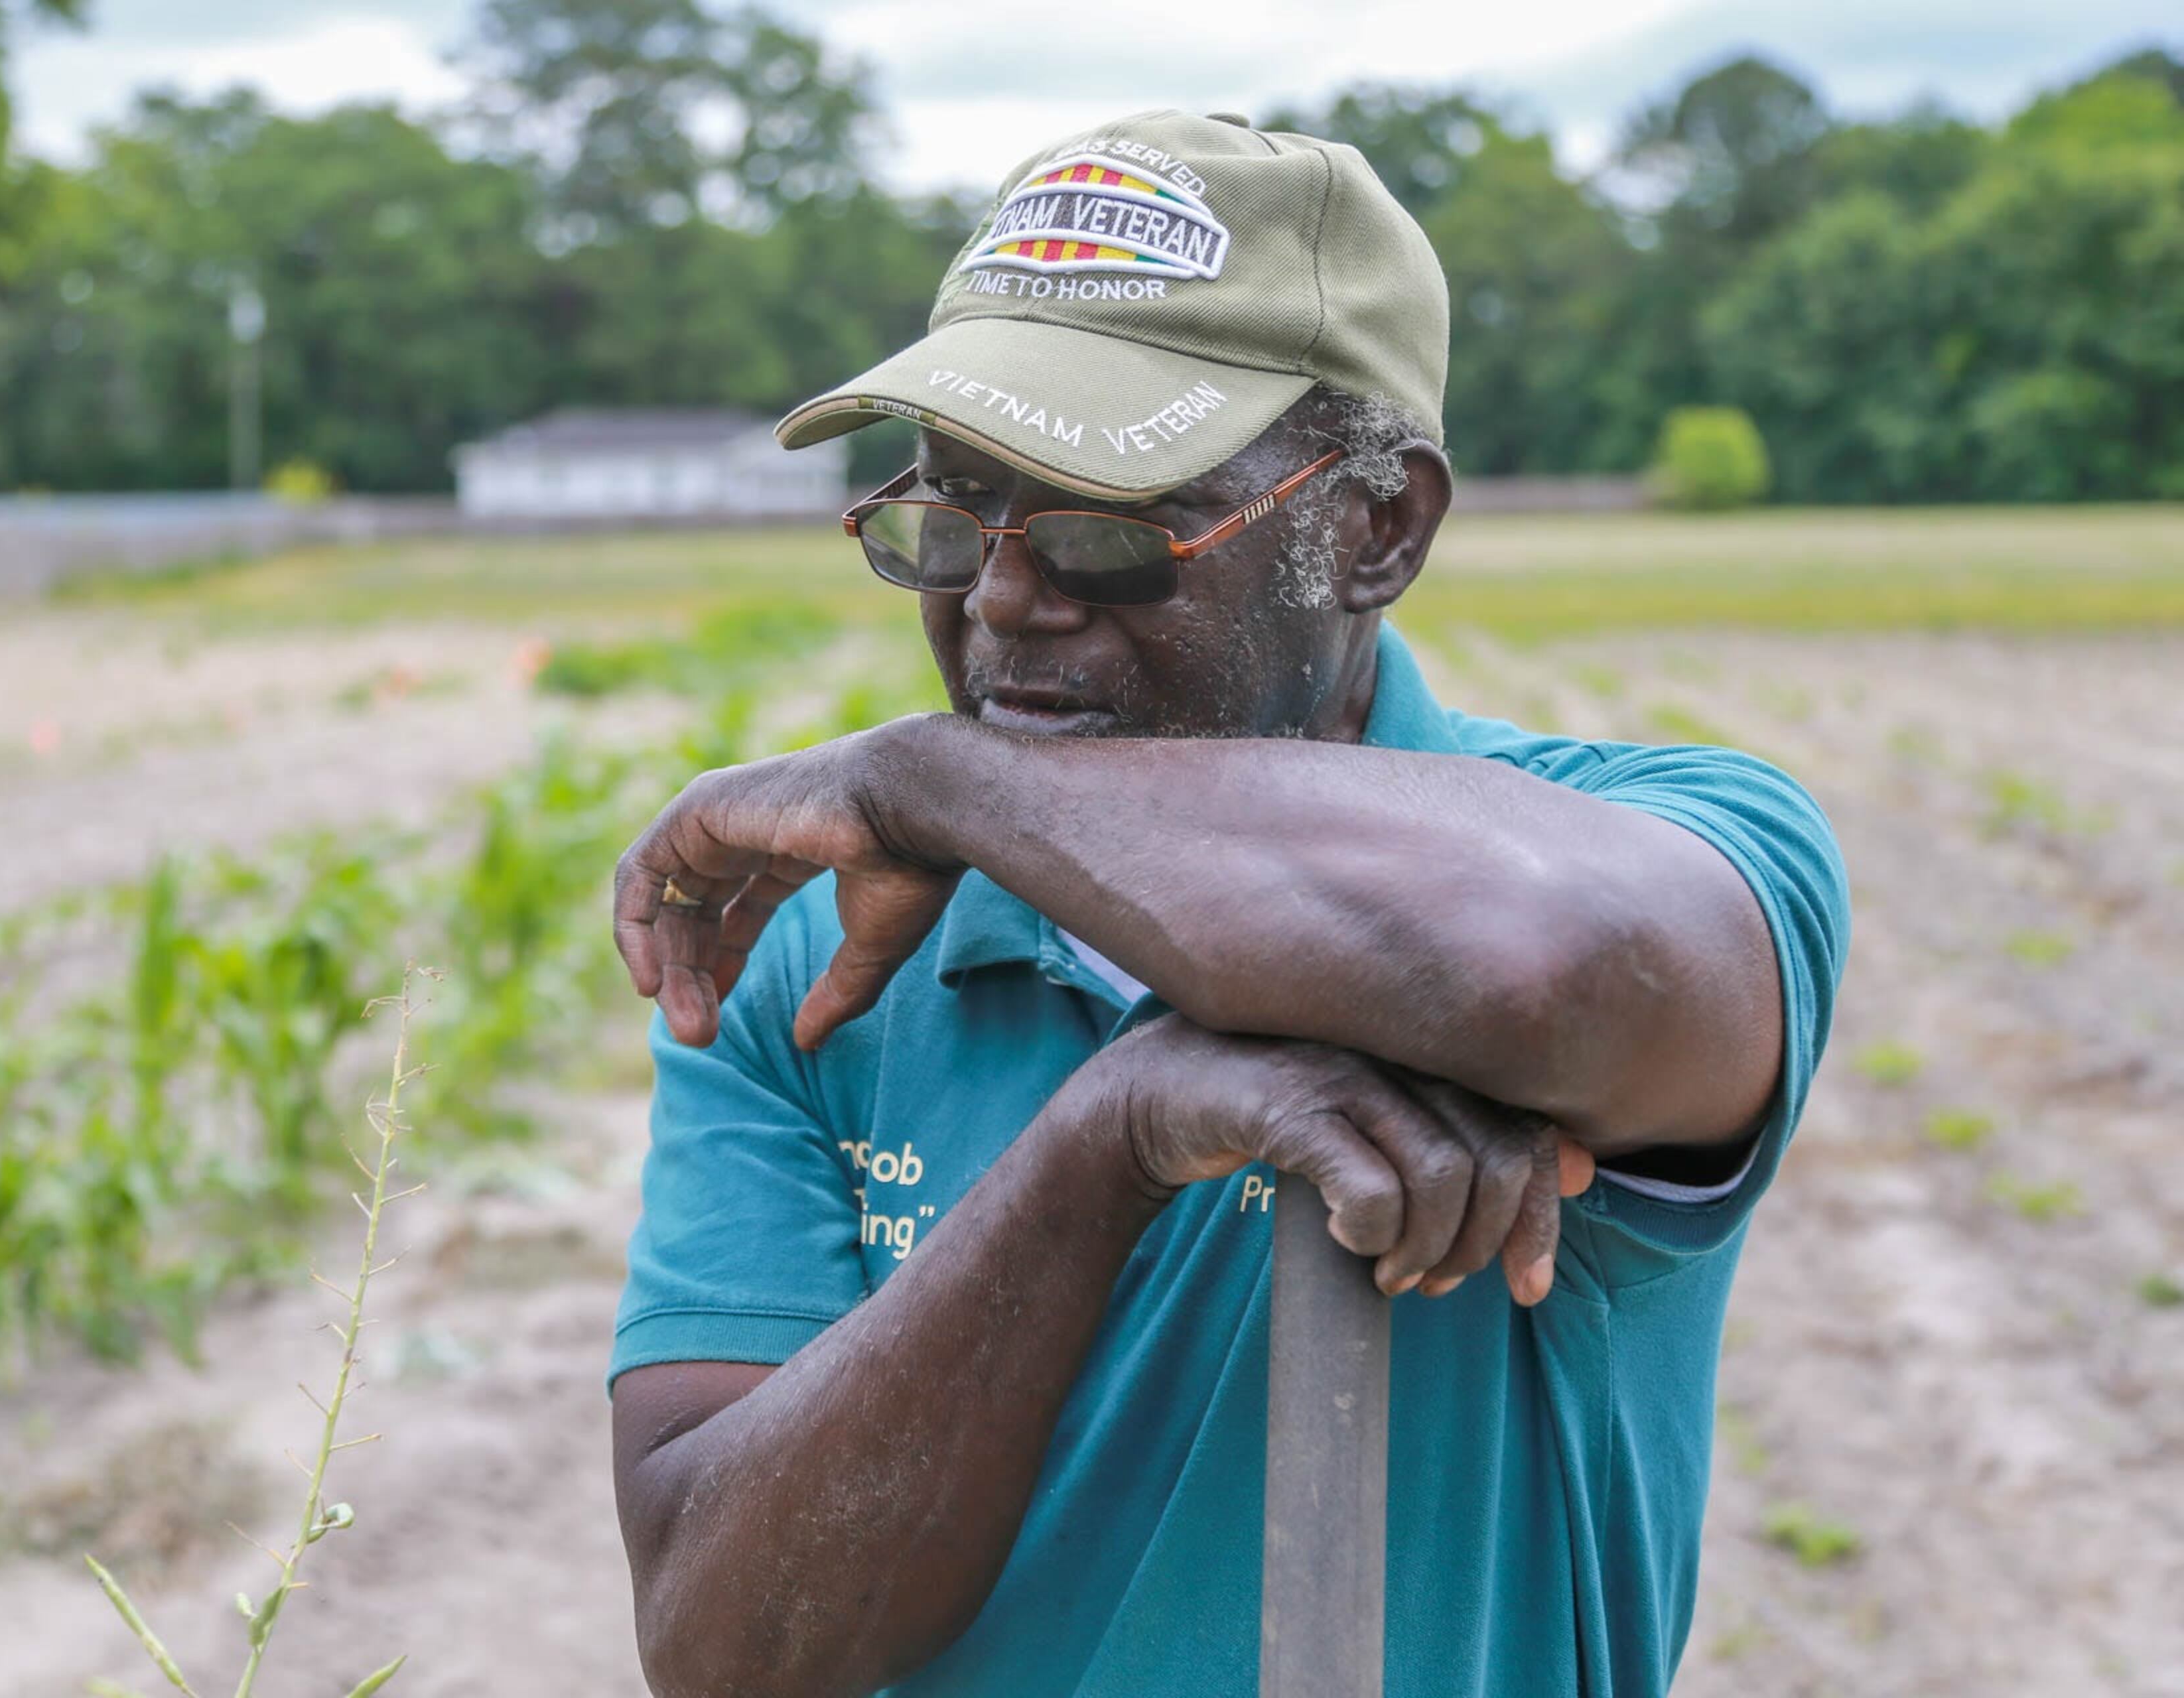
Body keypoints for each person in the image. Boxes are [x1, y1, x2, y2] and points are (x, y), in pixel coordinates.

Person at [602, 109, 1848, 1698]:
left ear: (1379, 527)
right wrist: (1109, 1137)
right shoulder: (815, 965)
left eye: (1107, 526)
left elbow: (1534, 969)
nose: (999, 596)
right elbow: (725, 1641)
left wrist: (935, 780)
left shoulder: (1653, 845)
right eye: (951, 512)